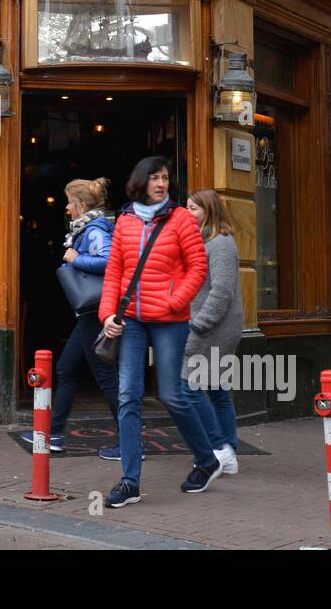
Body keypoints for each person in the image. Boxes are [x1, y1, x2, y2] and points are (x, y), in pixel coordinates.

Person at [98, 156, 214, 506]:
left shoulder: (180, 219)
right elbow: (114, 270)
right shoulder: (126, 219)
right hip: (130, 320)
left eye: (165, 178)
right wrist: (107, 314)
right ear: (141, 181)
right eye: (154, 178)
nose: (161, 183)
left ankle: (206, 460)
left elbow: (198, 267)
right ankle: (130, 482)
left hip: (169, 320)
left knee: (172, 395)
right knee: (127, 396)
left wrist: (174, 300)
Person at [22, 178, 118, 458]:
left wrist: (75, 259)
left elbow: (109, 261)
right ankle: (54, 434)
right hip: (89, 312)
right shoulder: (87, 228)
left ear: (81, 204)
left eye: (69, 202)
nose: (66, 207)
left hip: (95, 312)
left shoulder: (95, 229)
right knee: (65, 369)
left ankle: (129, 441)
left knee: (106, 378)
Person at [184, 189, 245, 476]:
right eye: (187, 207)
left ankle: (219, 447)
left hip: (214, 328)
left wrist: (199, 324)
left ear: (209, 210)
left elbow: (222, 292)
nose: (188, 213)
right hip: (209, 325)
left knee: (189, 386)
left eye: (193, 208)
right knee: (219, 390)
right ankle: (227, 451)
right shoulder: (201, 240)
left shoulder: (220, 243)